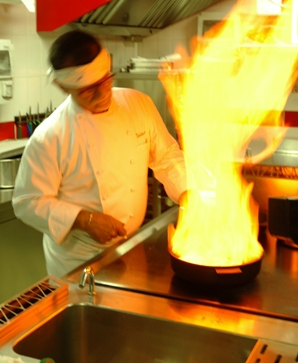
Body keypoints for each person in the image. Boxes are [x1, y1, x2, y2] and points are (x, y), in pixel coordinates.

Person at [12, 30, 192, 278]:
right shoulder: (50, 137)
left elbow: (167, 158)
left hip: (129, 248)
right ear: (63, 86)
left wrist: (188, 194)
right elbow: (26, 202)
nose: (101, 93)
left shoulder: (138, 104)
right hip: (78, 262)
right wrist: (85, 220)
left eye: (105, 80)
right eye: (87, 90)